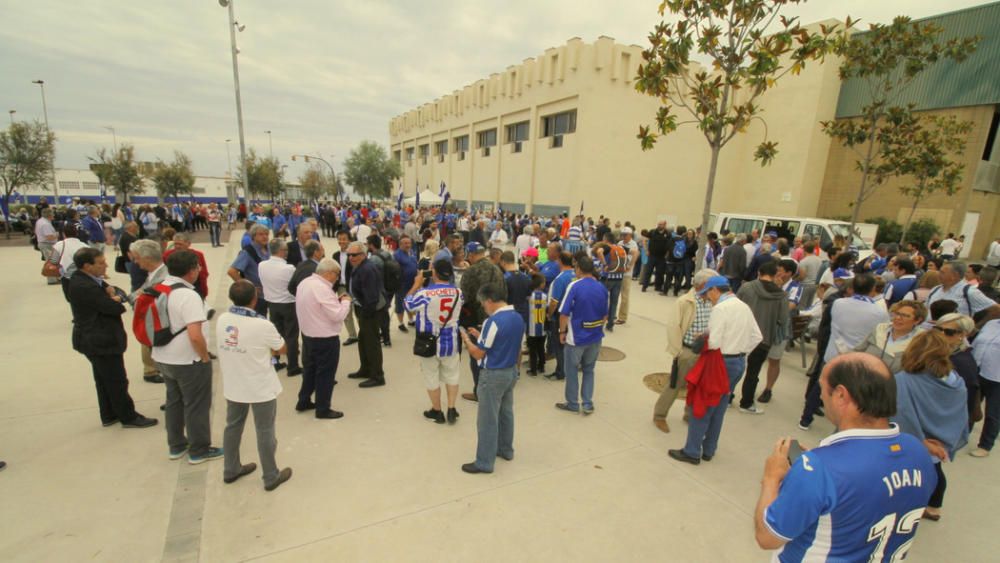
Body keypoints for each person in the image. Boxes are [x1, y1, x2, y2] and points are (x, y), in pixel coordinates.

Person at [753, 353, 937, 561]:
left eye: (822, 388)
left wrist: (771, 478)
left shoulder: (818, 469)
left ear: (841, 396)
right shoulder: (918, 452)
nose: (820, 396)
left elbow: (767, 537)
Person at [669, 276, 761, 464]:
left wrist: (702, 338)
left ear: (714, 291)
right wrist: (741, 350)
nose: (707, 299)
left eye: (707, 295)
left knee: (702, 405)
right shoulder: (743, 307)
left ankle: (692, 451)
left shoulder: (720, 309)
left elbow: (714, 342)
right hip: (738, 362)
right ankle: (709, 448)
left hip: (718, 363)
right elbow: (757, 336)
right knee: (719, 407)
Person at [67, 247, 157, 429]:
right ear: (87, 266)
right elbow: (115, 307)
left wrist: (113, 295)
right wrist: (114, 299)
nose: (105, 265)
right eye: (100, 263)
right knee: (116, 380)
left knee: (103, 378)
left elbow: (116, 291)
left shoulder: (90, 280)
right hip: (99, 340)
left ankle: (109, 413)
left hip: (97, 339)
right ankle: (128, 416)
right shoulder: (83, 285)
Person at [217, 280, 293, 491]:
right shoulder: (262, 325)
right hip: (260, 386)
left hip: (234, 383)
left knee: (233, 426)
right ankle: (271, 475)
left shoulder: (223, 319)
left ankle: (230, 469)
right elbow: (282, 348)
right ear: (255, 299)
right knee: (265, 430)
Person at [154, 250, 223, 464]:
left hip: (163, 356)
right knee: (197, 405)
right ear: (192, 270)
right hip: (187, 360)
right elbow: (195, 334)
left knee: (174, 401)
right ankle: (199, 449)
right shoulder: (188, 295)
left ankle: (176, 445)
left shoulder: (158, 288)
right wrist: (204, 357)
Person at [892, 330, 969, 522]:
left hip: (908, 444)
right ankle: (934, 508)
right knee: (935, 474)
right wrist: (943, 442)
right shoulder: (956, 382)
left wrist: (921, 441)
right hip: (940, 444)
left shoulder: (904, 380)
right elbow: (960, 414)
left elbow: (900, 415)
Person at [458, 283, 525, 474]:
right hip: (510, 371)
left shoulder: (492, 322)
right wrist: (481, 336)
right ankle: (506, 449)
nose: (483, 307)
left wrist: (467, 341)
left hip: (492, 375)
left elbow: (479, 354)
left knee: (487, 420)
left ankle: (484, 462)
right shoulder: (517, 317)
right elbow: (508, 342)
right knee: (506, 413)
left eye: (483, 304)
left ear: (489, 300)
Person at [653, 269, 716, 433]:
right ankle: (660, 415)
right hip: (687, 351)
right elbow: (673, 326)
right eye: (712, 285)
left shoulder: (711, 301)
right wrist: (678, 351)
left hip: (704, 352)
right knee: (675, 385)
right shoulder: (684, 302)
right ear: (703, 285)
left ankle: (690, 414)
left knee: (698, 387)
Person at [404, 259, 464, 423]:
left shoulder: (424, 294)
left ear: (434, 273)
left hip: (428, 343)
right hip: (451, 342)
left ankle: (437, 411)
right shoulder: (459, 293)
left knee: (431, 376)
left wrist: (417, 284)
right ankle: (451, 408)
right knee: (452, 375)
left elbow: (408, 305)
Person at [295, 258, 353, 418]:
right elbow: (337, 315)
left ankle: (303, 400)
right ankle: (323, 408)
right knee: (325, 374)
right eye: (337, 274)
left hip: (308, 334)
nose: (337, 278)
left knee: (310, 370)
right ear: (329, 273)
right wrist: (346, 302)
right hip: (325, 338)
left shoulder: (305, 283)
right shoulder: (322, 288)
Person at [555, 254, 609, 415]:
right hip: (595, 337)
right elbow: (605, 315)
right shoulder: (601, 287)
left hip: (576, 338)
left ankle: (572, 403)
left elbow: (564, 313)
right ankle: (587, 403)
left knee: (571, 371)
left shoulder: (574, 286)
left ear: (578, 268)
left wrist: (562, 331)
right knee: (589, 370)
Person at [736, 261, 788, 414]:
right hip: (764, 338)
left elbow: (735, 306)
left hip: (742, 335)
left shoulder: (746, 287)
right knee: (753, 372)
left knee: (734, 367)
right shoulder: (781, 295)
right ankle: (746, 403)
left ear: (759, 272)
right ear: (775, 275)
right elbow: (783, 319)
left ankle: (726, 396)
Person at [460, 241, 506, 401]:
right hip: (498, 318)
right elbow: (504, 293)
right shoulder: (497, 269)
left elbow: (464, 298)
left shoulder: (471, 272)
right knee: (495, 354)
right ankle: (495, 389)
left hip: (478, 320)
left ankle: (480, 392)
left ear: (471, 255)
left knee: (477, 356)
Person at [346, 241, 387, 388]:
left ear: (363, 255)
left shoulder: (367, 269)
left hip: (370, 311)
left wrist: (366, 314)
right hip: (362, 307)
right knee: (363, 341)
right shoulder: (359, 266)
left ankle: (377, 376)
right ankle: (365, 369)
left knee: (371, 343)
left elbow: (372, 297)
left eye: (354, 255)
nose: (351, 257)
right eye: (349, 254)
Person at [128, 239, 169, 384]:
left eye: (137, 258)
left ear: (147, 258)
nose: (136, 262)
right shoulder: (153, 274)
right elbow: (135, 296)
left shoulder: (162, 277)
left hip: (159, 328)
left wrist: (135, 297)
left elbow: (136, 298)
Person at [258, 238, 301, 376]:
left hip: (272, 303)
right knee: (291, 336)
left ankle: (275, 362)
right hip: (288, 304)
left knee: (275, 335)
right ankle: (292, 366)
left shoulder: (262, 265)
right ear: (282, 251)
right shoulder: (289, 268)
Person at [932, 313, 981, 429]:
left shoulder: (962, 362)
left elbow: (967, 398)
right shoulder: (936, 351)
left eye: (948, 332)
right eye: (938, 329)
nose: (941, 334)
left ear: (962, 334)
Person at [854, 300, 926, 373]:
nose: (898, 318)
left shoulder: (921, 340)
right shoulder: (880, 329)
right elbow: (857, 350)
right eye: (897, 313)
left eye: (905, 315)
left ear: (917, 320)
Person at [925, 262, 1000, 319]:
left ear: (954, 276)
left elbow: (996, 309)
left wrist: (976, 328)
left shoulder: (969, 292)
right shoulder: (936, 289)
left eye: (942, 272)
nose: (938, 274)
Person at [971, 317, 1000, 458]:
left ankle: (985, 445)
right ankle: (962, 436)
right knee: (970, 406)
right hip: (977, 371)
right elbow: (976, 344)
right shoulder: (991, 323)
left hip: (997, 377)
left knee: (993, 414)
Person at [228, 224, 271, 316]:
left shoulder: (269, 249)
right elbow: (232, 271)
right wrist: (249, 287)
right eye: (261, 234)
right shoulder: (247, 252)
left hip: (270, 294)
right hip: (256, 297)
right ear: (253, 236)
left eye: (266, 234)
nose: (265, 237)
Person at [45, 224, 89, 302]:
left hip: (67, 277)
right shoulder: (85, 246)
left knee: (71, 299)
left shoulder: (59, 245)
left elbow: (54, 261)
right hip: (84, 276)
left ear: (63, 234)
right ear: (76, 233)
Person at [332, 231, 359, 346]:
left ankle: (365, 334)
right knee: (346, 313)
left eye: (344, 239)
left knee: (358, 311)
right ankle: (352, 335)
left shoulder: (354, 254)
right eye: (339, 239)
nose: (341, 241)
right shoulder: (335, 255)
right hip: (341, 288)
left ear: (349, 240)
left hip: (354, 287)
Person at [164, 232, 209, 298]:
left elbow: (204, 273)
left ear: (188, 244)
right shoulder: (167, 255)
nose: (177, 246)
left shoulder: (198, 255)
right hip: (174, 287)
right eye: (175, 244)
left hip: (195, 286)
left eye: (180, 244)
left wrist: (204, 291)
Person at [393, 235, 419, 332]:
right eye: (405, 243)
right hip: (401, 285)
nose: (408, 245)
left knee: (410, 302)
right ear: (400, 244)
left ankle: (411, 320)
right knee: (400, 304)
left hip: (412, 283)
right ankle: (400, 323)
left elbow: (415, 264)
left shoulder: (412, 252)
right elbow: (394, 271)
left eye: (409, 243)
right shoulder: (396, 255)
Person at [525, 274, 548, 376]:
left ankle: (533, 370)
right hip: (542, 327)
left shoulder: (529, 298)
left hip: (531, 328)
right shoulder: (545, 296)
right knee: (541, 348)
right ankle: (542, 367)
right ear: (541, 284)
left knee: (532, 350)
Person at [35, 208, 60, 285]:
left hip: (44, 243)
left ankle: (54, 277)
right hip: (47, 244)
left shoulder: (40, 221)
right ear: (49, 215)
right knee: (51, 262)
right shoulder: (45, 224)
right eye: (52, 213)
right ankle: (52, 280)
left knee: (52, 261)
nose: (54, 215)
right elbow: (49, 237)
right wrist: (57, 234)